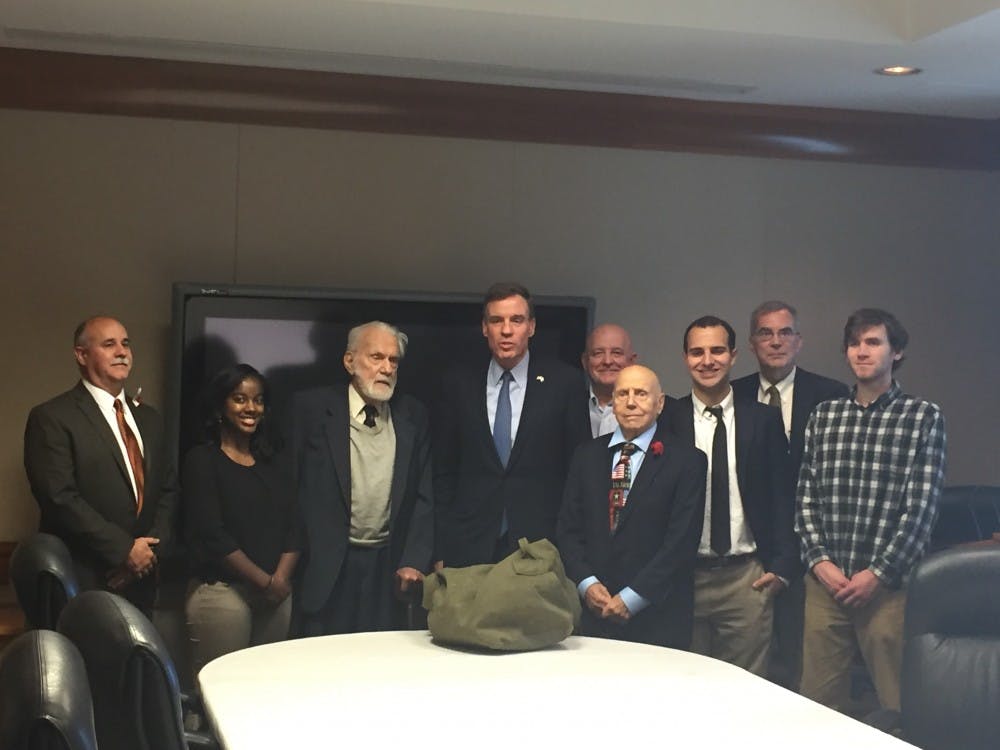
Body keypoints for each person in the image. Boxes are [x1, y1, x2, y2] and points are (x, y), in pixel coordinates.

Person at [796, 308, 945, 714]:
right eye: (855, 343)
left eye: (874, 342)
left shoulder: (922, 417)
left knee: (900, 703)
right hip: (827, 584)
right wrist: (820, 562)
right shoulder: (825, 416)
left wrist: (878, 573)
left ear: (896, 352)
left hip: (887, 589)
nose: (862, 351)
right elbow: (806, 497)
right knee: (816, 705)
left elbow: (921, 510)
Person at [661, 316, 797, 676]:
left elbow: (782, 494)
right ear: (685, 358)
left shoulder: (763, 420)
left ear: (734, 355)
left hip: (746, 578)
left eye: (717, 350)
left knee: (746, 692)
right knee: (681, 686)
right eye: (697, 352)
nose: (708, 360)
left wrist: (782, 565)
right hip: (682, 578)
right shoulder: (667, 419)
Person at [24, 316, 177, 615]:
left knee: (137, 662)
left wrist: (147, 555)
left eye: (126, 343)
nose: (122, 351)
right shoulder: (53, 417)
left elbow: (169, 490)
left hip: (142, 579)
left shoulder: (150, 419)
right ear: (81, 355)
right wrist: (124, 551)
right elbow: (59, 498)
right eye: (109, 344)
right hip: (85, 578)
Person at [731, 300, 848, 689]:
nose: (776, 341)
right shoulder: (733, 395)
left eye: (785, 333)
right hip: (751, 545)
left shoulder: (832, 395)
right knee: (751, 660)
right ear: (751, 343)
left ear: (799, 341)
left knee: (805, 659)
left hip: (816, 548)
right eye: (766, 332)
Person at [289, 321, 434, 635]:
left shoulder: (412, 415)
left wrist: (414, 560)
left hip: (388, 568)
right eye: (376, 357)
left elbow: (425, 496)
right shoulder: (310, 410)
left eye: (393, 361)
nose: (386, 368)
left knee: (381, 667)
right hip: (325, 568)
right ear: (349, 361)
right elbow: (288, 489)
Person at [433, 282, 591, 567]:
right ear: (485, 328)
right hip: (468, 545)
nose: (506, 330)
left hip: (540, 546)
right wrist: (442, 546)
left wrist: (569, 547)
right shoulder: (458, 383)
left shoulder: (565, 383)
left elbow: (576, 472)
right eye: (496, 321)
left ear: (531, 327)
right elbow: (443, 471)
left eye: (516, 320)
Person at [558, 365, 705, 647]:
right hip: (593, 612)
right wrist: (587, 584)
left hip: (658, 614)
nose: (631, 402)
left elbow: (681, 542)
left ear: (659, 403)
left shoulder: (687, 461)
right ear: (613, 402)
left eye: (641, 394)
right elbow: (568, 529)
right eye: (623, 393)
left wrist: (632, 598)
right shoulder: (586, 456)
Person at [182, 364, 300, 675]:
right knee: (222, 690)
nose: (251, 408)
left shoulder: (273, 461)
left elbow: (295, 526)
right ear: (221, 405)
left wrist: (279, 582)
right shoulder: (202, 460)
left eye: (258, 400)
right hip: (223, 593)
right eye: (240, 399)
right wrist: (264, 582)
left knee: (266, 689)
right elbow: (212, 534)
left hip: (276, 595)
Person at [582, 323, 639, 437]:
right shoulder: (566, 407)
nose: (607, 361)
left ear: (632, 361)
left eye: (616, 353)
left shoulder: (657, 411)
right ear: (585, 362)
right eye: (598, 353)